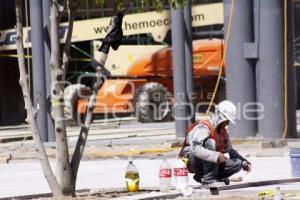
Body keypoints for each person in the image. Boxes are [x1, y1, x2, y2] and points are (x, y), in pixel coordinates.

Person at [179, 100, 252, 185]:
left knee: (237, 163)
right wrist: (216, 156)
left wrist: (244, 162)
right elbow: (194, 148)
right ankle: (208, 179)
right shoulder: (204, 127)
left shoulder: (223, 132)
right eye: (226, 120)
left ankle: (214, 177)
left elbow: (230, 151)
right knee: (210, 142)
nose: (227, 123)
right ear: (219, 116)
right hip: (192, 161)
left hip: (209, 162)